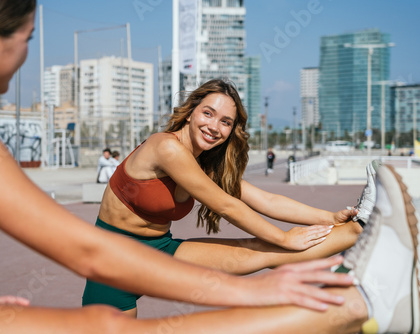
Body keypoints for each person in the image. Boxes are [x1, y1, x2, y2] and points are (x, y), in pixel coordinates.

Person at [0, 1, 417, 333]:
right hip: (114, 251)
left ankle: (369, 239)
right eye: (28, 37)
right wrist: (246, 290)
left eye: (227, 121)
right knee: (115, 326)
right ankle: (366, 305)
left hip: (154, 247)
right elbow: (88, 251)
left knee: (261, 255)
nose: (27, 50)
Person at [82, 79, 363, 316]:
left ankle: (361, 228)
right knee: (277, 244)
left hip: (161, 250)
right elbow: (226, 205)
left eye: (225, 122)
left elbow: (266, 201)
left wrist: (329, 217)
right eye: (208, 113)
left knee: (264, 252)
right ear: (191, 112)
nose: (215, 127)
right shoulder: (165, 148)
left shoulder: (203, 164)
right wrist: (283, 236)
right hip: (112, 257)